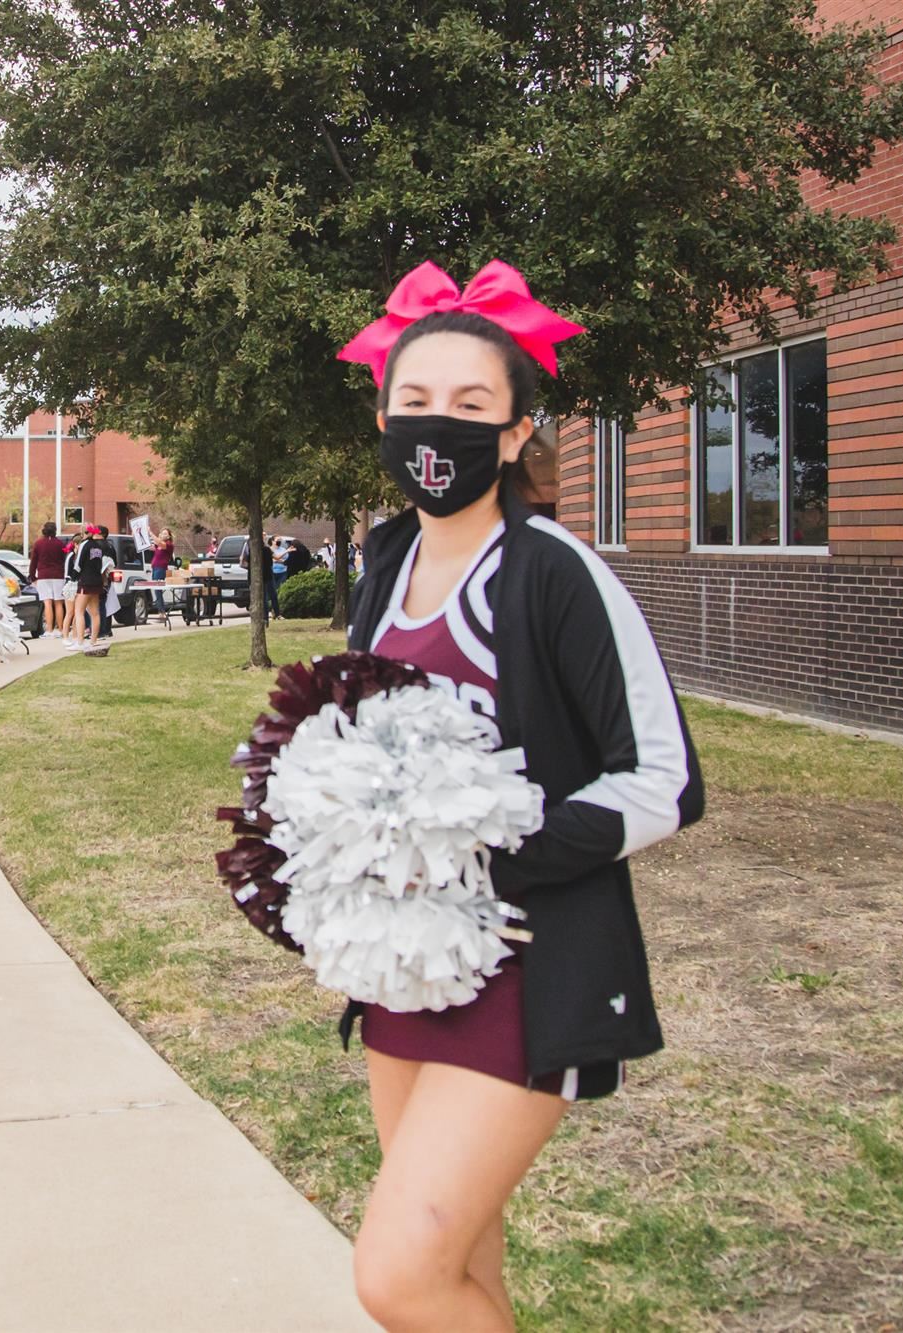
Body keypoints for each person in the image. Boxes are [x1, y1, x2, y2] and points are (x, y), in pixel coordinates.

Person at [333, 261, 703, 1330]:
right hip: (406, 961)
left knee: (397, 1276)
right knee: (457, 1271)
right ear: (381, 416)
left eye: (467, 406)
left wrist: (490, 846)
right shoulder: (385, 563)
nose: (433, 429)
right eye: (413, 405)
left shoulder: (552, 571)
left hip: (525, 972)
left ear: (511, 432)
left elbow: (664, 782)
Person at [73, 525, 110, 655]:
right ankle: (93, 640)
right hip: (96, 581)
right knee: (95, 612)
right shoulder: (98, 546)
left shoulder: (85, 545)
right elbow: (99, 563)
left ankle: (80, 641)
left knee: (79, 611)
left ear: (84, 533)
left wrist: (73, 578)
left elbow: (78, 563)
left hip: (85, 581)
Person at [30, 521, 70, 636]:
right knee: (58, 602)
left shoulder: (38, 544)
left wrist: (33, 577)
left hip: (43, 576)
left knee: (47, 602)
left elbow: (33, 562)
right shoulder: (60, 544)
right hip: (58, 575)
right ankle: (61, 629)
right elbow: (64, 559)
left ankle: (49, 630)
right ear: (55, 530)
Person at [149, 527, 174, 613]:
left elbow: (159, 542)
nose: (163, 535)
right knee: (157, 590)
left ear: (169, 536)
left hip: (161, 569)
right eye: (162, 533)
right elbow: (149, 546)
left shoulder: (169, 545)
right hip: (155, 568)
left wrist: (150, 532)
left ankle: (161, 611)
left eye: (165, 533)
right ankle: (161, 610)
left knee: (157, 589)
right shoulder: (158, 546)